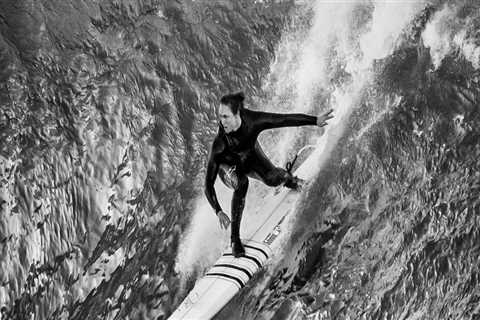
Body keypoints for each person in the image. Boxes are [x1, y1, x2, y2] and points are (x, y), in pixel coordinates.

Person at [204, 92, 333, 257]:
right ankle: (235, 239)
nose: (222, 122)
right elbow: (208, 184)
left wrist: (314, 120)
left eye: (225, 117)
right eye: (220, 117)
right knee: (242, 183)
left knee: (274, 179)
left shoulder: (253, 121)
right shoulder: (219, 144)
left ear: (237, 115)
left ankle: (290, 180)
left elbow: (283, 120)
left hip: (250, 154)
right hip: (228, 167)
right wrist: (218, 211)